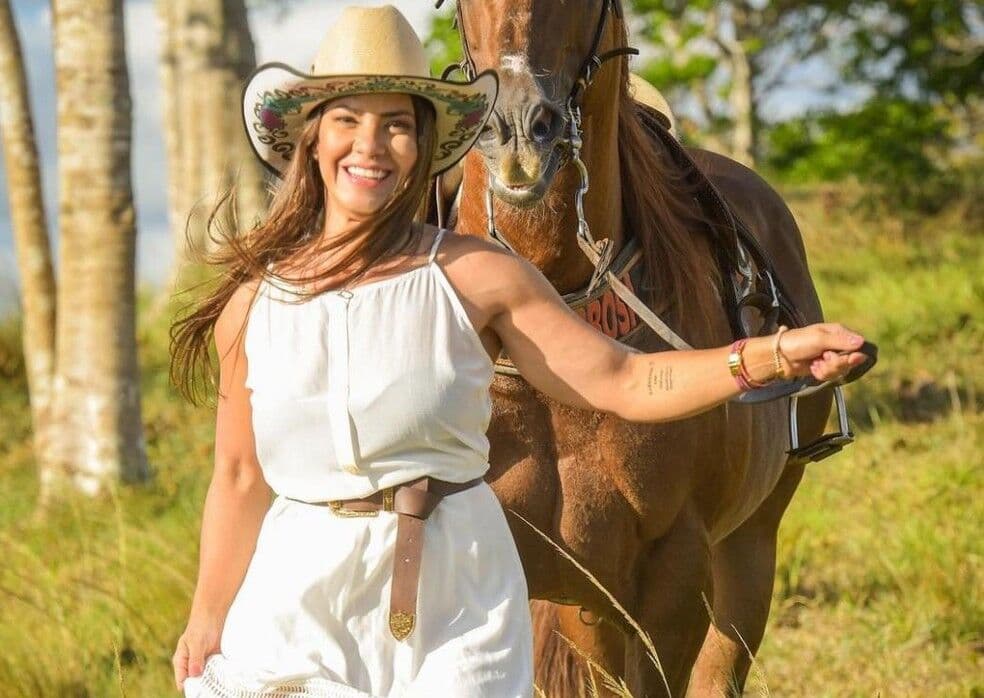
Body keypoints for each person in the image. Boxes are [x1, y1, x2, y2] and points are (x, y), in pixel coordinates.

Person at [169, 5, 870, 698]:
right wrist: (206, 617)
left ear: (426, 145)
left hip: (450, 601)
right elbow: (236, 476)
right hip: (301, 601)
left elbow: (623, 379)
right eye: (347, 121)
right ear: (311, 141)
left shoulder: (478, 277)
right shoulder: (255, 305)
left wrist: (770, 356)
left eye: (396, 125)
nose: (370, 147)